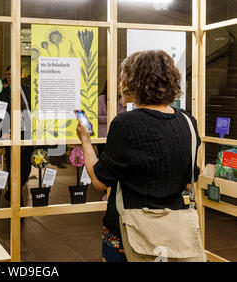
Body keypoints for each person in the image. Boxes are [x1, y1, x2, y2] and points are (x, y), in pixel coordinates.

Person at [76, 50, 203, 262]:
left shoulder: (126, 123)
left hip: (129, 230)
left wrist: (86, 141)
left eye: (125, 76)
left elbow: (99, 181)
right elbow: (190, 182)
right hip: (176, 233)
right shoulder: (188, 123)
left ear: (137, 81)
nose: (120, 83)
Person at [0, 66, 33, 205]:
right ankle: (17, 202)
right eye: (7, 74)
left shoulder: (29, 91)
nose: (9, 77)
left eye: (12, 74)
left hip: (27, 133)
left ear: (20, 75)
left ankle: (13, 190)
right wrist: (2, 133)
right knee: (12, 167)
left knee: (26, 167)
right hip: (11, 135)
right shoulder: (2, 94)